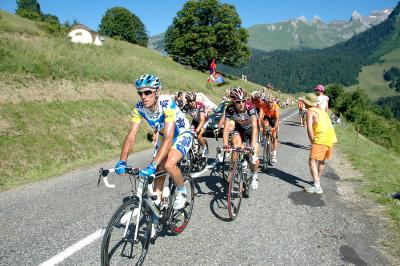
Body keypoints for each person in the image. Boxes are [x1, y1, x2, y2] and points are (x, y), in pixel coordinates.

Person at [114, 74, 192, 210]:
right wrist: (122, 160)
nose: (143, 96)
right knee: (157, 172)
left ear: (157, 91)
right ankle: (157, 211)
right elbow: (131, 135)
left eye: (147, 92)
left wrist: (154, 163)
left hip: (181, 134)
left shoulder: (167, 103)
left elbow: (169, 137)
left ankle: (182, 191)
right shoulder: (139, 108)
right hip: (163, 136)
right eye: (140, 93)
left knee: (168, 164)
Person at [223, 88, 260, 189]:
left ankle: (254, 175)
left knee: (253, 157)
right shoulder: (229, 108)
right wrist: (225, 144)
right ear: (233, 101)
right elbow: (226, 128)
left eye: (243, 101)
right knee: (236, 147)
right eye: (238, 102)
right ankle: (233, 168)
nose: (241, 104)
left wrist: (252, 146)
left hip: (252, 129)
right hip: (240, 130)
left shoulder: (250, 107)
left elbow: (254, 126)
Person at [303, 93, 337, 194]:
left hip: (320, 138)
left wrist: (313, 141)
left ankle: (317, 186)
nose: (303, 102)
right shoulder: (322, 111)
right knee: (321, 160)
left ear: (307, 102)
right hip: (330, 138)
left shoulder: (310, 111)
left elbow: (309, 129)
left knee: (312, 161)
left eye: (305, 101)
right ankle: (316, 180)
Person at [182, 92, 208, 157]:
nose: (193, 102)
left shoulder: (200, 106)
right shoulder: (186, 107)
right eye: (190, 101)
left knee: (198, 135)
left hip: (204, 121)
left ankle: (205, 148)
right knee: (189, 133)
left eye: (194, 100)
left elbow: (202, 120)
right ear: (187, 101)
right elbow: (181, 117)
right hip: (196, 120)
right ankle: (194, 148)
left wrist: (197, 130)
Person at [259, 96, 280, 163]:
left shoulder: (276, 107)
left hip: (274, 118)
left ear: (273, 102)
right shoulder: (263, 105)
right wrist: (260, 127)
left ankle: (274, 154)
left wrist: (275, 128)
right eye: (268, 102)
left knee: (274, 136)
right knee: (265, 125)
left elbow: (277, 119)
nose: (269, 104)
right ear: (266, 102)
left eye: (271, 102)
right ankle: (264, 138)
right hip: (267, 117)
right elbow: (260, 117)